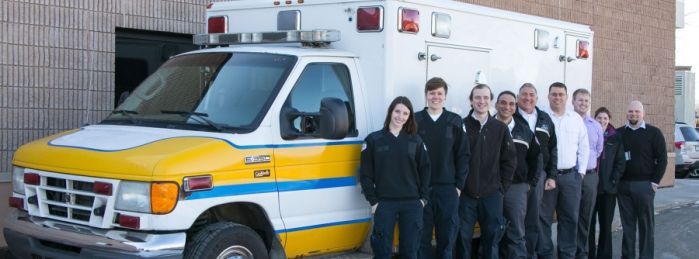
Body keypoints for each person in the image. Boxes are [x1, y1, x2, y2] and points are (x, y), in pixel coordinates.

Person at [359, 96, 431, 259]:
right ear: (390, 112)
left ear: (409, 117)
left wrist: (423, 199)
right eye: (397, 111)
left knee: (410, 252)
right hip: (384, 203)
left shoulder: (416, 141)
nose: (400, 116)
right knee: (382, 252)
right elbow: (365, 174)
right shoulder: (373, 140)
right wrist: (374, 201)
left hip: (412, 204)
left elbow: (426, 170)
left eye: (405, 113)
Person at [456, 84, 517, 259]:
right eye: (477, 97)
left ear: (491, 101)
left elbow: (509, 161)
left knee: (491, 241)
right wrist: (458, 187)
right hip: (465, 195)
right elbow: (452, 159)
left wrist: (501, 189)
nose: (481, 101)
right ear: (471, 100)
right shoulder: (460, 126)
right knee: (462, 239)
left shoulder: (500, 128)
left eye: (485, 98)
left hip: (492, 196)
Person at [415, 78, 470, 259]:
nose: (435, 97)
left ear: (445, 96)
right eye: (432, 93)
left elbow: (463, 155)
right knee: (420, 238)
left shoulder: (454, 121)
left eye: (439, 93)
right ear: (426, 95)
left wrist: (458, 186)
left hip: (448, 190)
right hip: (421, 190)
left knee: (446, 239)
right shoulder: (415, 120)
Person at [539, 82, 589, 259]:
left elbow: (584, 146)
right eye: (554, 94)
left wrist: (581, 173)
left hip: (570, 177)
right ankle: (545, 254)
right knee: (543, 218)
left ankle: (567, 254)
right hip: (547, 177)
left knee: (569, 219)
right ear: (548, 96)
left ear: (567, 98)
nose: (557, 97)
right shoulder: (542, 117)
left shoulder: (575, 118)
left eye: (561, 94)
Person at [616, 100, 667, 259]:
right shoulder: (619, 134)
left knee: (646, 226)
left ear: (643, 113)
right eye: (631, 111)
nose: (634, 114)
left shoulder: (654, 133)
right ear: (626, 113)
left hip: (645, 186)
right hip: (623, 187)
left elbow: (662, 159)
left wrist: (654, 183)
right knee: (627, 226)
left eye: (637, 111)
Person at [495, 91, 540, 259]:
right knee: (492, 232)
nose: (507, 106)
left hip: (516, 189)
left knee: (516, 232)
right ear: (497, 104)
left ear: (515, 107)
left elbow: (536, 158)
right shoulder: (487, 127)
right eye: (503, 102)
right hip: (492, 188)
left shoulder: (525, 131)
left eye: (511, 103)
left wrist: (530, 183)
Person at [516, 83, 558, 259]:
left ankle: (530, 254)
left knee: (533, 219)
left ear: (537, 98)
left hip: (538, 176)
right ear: (518, 98)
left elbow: (553, 148)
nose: (528, 98)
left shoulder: (545, 119)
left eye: (531, 95)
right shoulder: (510, 116)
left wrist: (551, 175)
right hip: (515, 179)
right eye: (524, 94)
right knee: (515, 221)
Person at [588, 107, 625, 259]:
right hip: (590, 188)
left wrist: (613, 181)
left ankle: (604, 255)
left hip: (607, 190)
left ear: (609, 120)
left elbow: (620, 162)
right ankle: (588, 254)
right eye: (599, 118)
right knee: (588, 225)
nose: (602, 121)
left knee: (605, 226)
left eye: (605, 118)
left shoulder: (616, 137)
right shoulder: (588, 133)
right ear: (594, 119)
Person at [572, 89, 604, 259]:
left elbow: (598, 150)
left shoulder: (596, 125)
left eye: (586, 101)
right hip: (571, 175)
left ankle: (581, 252)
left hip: (590, 177)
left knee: (585, 216)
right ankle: (568, 251)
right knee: (570, 215)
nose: (583, 104)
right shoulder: (568, 121)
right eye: (580, 100)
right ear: (573, 102)